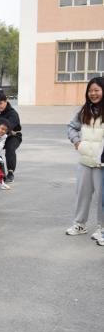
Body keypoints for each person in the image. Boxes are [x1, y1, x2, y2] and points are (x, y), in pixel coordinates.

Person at [66, 76, 104, 240]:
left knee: (102, 197)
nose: (93, 94)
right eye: (90, 91)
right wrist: (77, 142)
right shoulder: (83, 111)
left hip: (101, 163)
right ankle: (80, 224)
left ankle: (102, 228)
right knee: (82, 194)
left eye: (97, 90)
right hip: (85, 161)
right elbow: (71, 127)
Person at [0, 91, 22, 183]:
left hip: (13, 136)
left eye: (0, 103)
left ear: (6, 101)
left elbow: (8, 128)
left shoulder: (13, 113)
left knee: (10, 148)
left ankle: (10, 173)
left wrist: (7, 131)